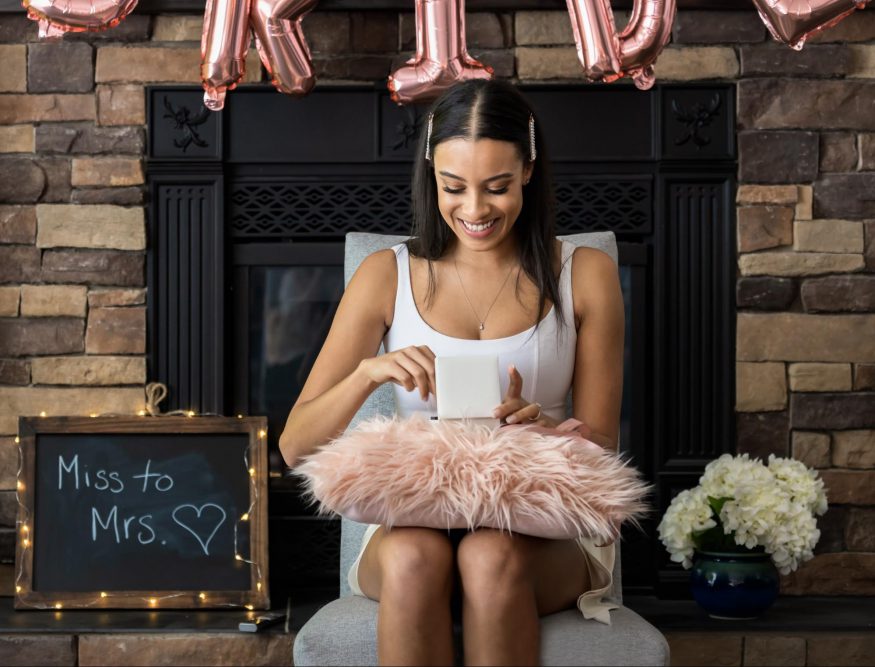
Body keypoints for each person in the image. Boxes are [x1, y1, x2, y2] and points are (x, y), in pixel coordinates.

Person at [279, 79, 625, 666]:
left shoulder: (584, 274)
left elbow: (604, 453)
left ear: (530, 171)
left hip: (541, 528)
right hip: (419, 519)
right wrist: (368, 374)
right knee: (416, 558)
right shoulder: (385, 275)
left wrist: (540, 432)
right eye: (453, 187)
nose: (474, 210)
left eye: (497, 188)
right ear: (430, 176)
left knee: (489, 555)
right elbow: (294, 447)